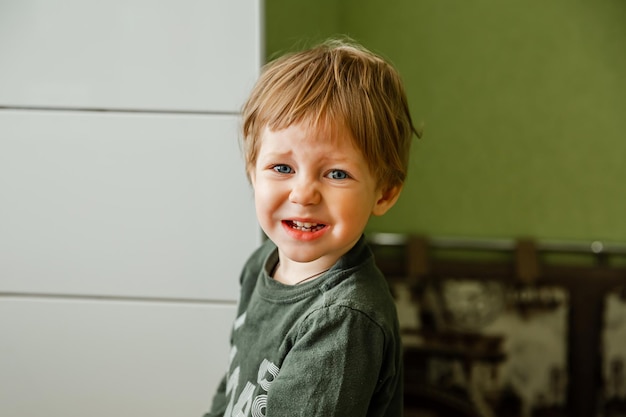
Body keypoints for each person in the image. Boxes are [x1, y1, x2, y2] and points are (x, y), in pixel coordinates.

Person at [205, 38, 420, 417]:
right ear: (252, 172)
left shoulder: (343, 319)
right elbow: (232, 385)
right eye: (282, 168)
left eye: (336, 173)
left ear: (384, 193)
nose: (303, 194)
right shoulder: (260, 265)